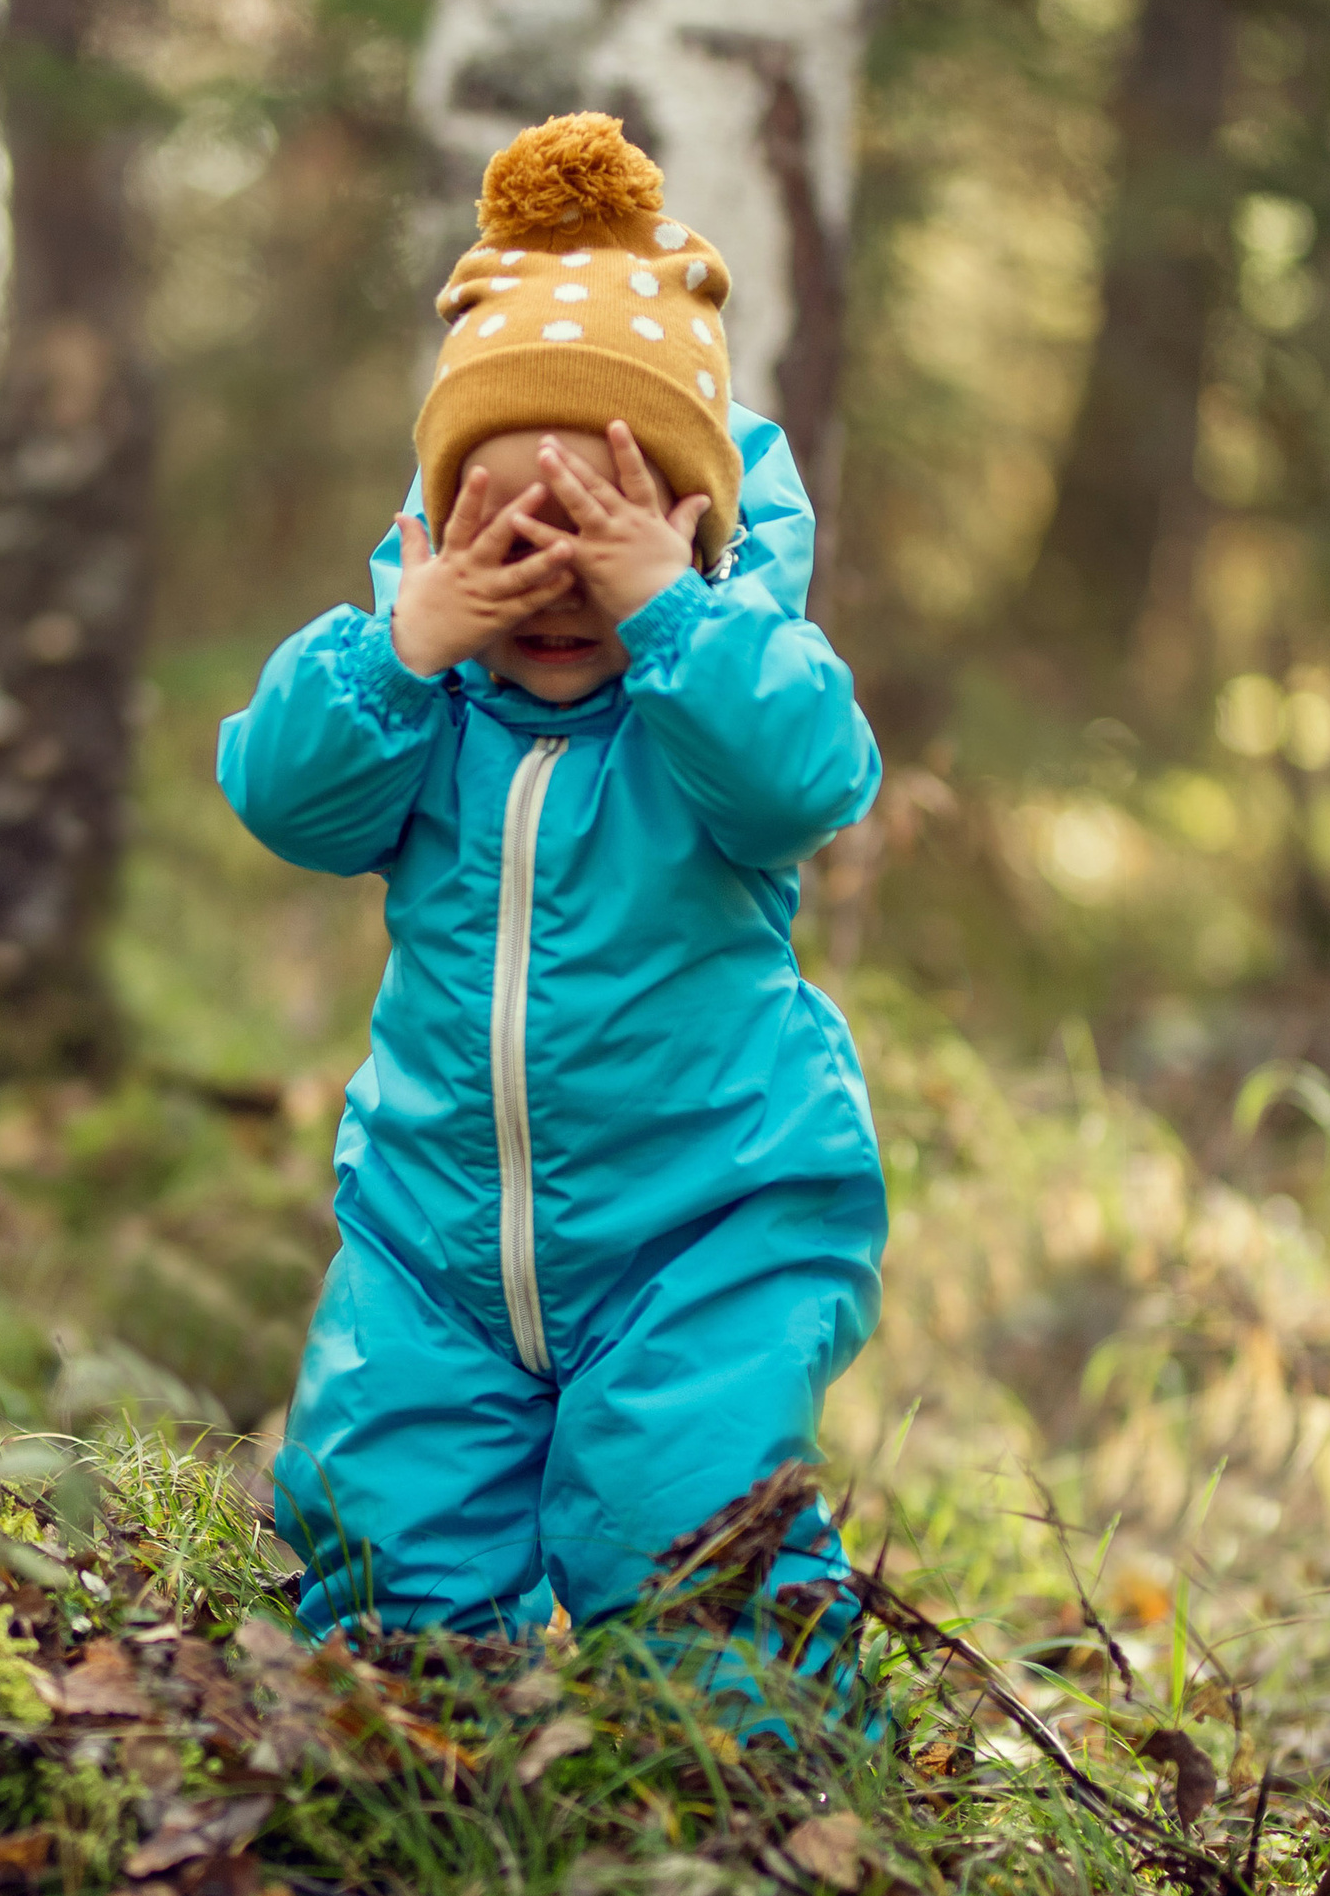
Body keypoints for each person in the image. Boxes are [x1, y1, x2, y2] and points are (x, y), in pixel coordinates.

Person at [216, 113, 887, 1720]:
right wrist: (404, 642)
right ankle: (414, 1751)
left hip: (708, 1223)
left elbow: (815, 779)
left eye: (606, 541)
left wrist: (679, 619)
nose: (556, 586)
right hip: (434, 1238)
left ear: (701, 535)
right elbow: (281, 796)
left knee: (686, 1528)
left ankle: (762, 1791)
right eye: (508, 543)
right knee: (386, 1525)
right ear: (441, 538)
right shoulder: (424, 703)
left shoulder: (715, 694)